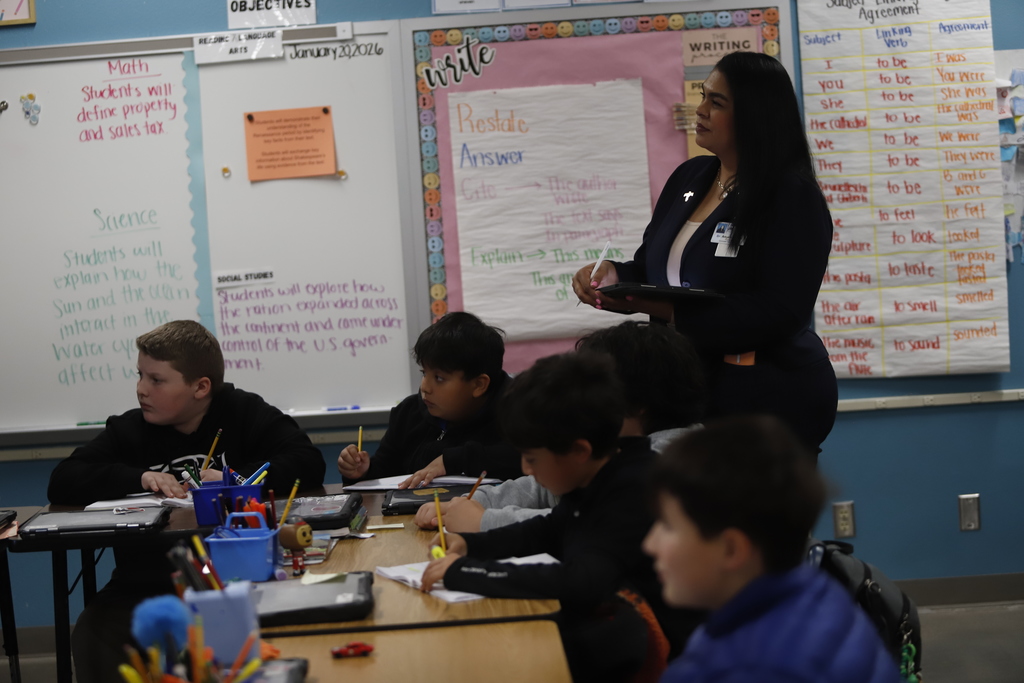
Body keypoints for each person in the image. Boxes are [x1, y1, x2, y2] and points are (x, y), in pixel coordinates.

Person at [572, 51, 837, 455]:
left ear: (755, 114)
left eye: (717, 103)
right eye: (703, 96)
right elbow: (652, 269)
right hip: (686, 394)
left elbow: (782, 311)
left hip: (764, 400)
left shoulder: (791, 196)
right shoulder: (690, 176)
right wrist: (613, 276)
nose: (700, 111)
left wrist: (666, 311)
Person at [47, 320, 326, 683]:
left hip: (238, 579)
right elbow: (64, 479)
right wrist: (139, 477)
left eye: (156, 380)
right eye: (140, 376)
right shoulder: (131, 429)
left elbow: (306, 461)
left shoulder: (242, 412)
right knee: (94, 630)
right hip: (146, 585)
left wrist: (236, 481)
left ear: (201, 387)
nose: (141, 389)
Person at [420, 352, 701, 682]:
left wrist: (467, 571)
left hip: (652, 659)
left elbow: (581, 581)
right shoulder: (600, 473)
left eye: (532, 458)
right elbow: (549, 529)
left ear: (579, 451)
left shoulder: (634, 490)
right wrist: (469, 544)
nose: (526, 469)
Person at [643, 415, 900, 683]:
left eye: (667, 526)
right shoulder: (819, 594)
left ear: (732, 549)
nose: (649, 544)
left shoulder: (744, 670)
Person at [414, 320, 706, 533]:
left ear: (638, 402)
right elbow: (542, 489)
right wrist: (468, 502)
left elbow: (579, 524)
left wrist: (483, 521)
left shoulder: (670, 460)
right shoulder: (616, 444)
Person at [336, 311, 520, 487]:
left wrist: (453, 460)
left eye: (439, 378)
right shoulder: (409, 413)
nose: (424, 387)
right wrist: (363, 473)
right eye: (424, 373)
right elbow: (386, 473)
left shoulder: (518, 413)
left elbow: (525, 459)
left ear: (479, 385)